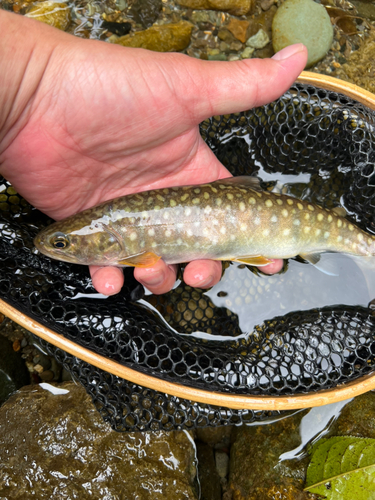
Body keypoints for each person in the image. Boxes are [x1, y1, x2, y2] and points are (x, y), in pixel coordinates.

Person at [0, 10, 308, 295]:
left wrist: (32, 89)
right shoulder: (108, 222)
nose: (56, 245)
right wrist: (31, 87)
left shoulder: (110, 220)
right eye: (62, 243)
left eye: (61, 243)